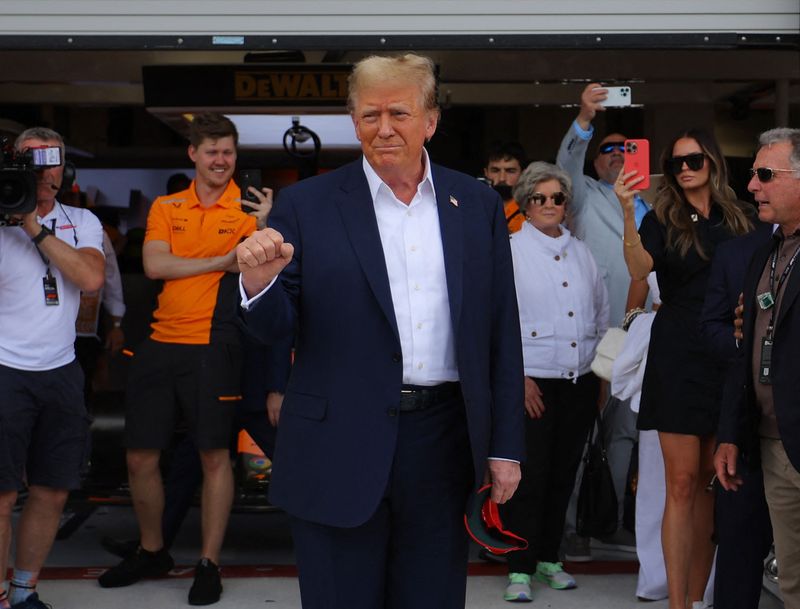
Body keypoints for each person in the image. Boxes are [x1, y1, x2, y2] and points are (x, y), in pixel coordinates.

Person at [236, 53, 524, 609]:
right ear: (353, 121)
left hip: (444, 445)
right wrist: (257, 284)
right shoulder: (306, 206)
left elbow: (501, 336)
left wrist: (506, 447)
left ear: (430, 121)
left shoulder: (478, 205)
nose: (384, 128)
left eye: (399, 112)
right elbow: (270, 331)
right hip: (336, 444)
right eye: (370, 115)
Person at [97, 113, 272, 606]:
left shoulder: (250, 212)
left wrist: (262, 228)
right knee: (139, 457)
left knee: (214, 456)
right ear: (192, 154)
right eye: (212, 150)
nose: (221, 160)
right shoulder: (167, 206)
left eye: (229, 152)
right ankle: (152, 550)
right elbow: (154, 265)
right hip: (160, 345)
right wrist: (221, 260)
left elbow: (261, 276)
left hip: (216, 347)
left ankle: (209, 563)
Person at [615, 127, 753, 609]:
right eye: (676, 163)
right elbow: (638, 269)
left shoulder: (743, 219)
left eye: (694, 160)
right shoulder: (662, 216)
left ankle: (699, 599)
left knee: (714, 483)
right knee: (680, 483)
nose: (686, 169)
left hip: (725, 352)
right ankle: (677, 604)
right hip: (676, 352)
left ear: (712, 161)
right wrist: (627, 211)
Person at [0, 127, 105, 609]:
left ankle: (24, 592)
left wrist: (31, 224)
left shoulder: (80, 220)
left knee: (52, 490)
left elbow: (88, 277)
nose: (45, 170)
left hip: (61, 371)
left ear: (65, 167)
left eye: (53, 160)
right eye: (32, 160)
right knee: (1, 496)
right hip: (5, 370)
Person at [499, 162, 609, 602]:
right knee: (528, 477)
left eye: (557, 198)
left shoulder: (581, 251)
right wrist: (517, 378)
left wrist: (599, 375)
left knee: (564, 473)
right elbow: (499, 321)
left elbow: (600, 315)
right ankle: (519, 568)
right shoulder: (509, 249)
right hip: (533, 383)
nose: (549, 205)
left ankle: (549, 558)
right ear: (525, 204)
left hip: (579, 380)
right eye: (539, 198)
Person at [557, 82, 650, 560]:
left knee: (623, 435)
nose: (618, 154)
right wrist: (586, 119)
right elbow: (564, 165)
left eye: (627, 149)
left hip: (640, 338)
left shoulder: (654, 207)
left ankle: (606, 522)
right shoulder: (583, 195)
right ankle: (572, 525)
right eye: (610, 149)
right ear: (597, 161)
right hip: (594, 335)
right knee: (584, 431)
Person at [714, 127, 800, 608]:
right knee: (792, 583)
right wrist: (731, 431)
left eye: (766, 175)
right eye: (753, 175)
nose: (752, 186)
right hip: (768, 442)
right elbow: (744, 348)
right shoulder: (765, 250)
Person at [700, 221, 774, 609]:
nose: (752, 186)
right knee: (739, 545)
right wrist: (743, 341)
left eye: (765, 175)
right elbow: (710, 326)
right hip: (747, 428)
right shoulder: (737, 251)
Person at [483, 141, 528, 234]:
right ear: (486, 172)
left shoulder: (532, 211)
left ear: (523, 174)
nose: (502, 178)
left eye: (510, 171)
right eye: (495, 170)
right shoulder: (474, 208)